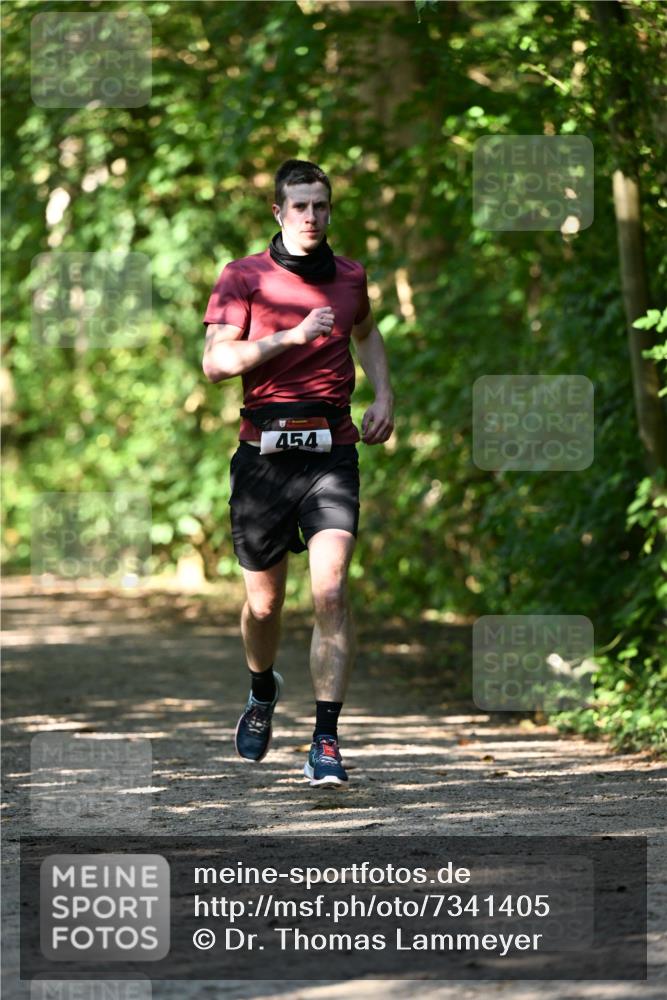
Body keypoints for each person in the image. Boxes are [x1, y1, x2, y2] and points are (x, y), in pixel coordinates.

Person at [202, 159, 393, 787]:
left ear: (330, 209)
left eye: (320, 205)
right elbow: (216, 363)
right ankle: (262, 691)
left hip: (331, 452)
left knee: (332, 590)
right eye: (300, 206)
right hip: (263, 457)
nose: (312, 216)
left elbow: (365, 331)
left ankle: (327, 740)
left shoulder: (349, 276)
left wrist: (384, 394)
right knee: (265, 605)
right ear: (278, 213)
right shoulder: (243, 276)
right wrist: (287, 338)